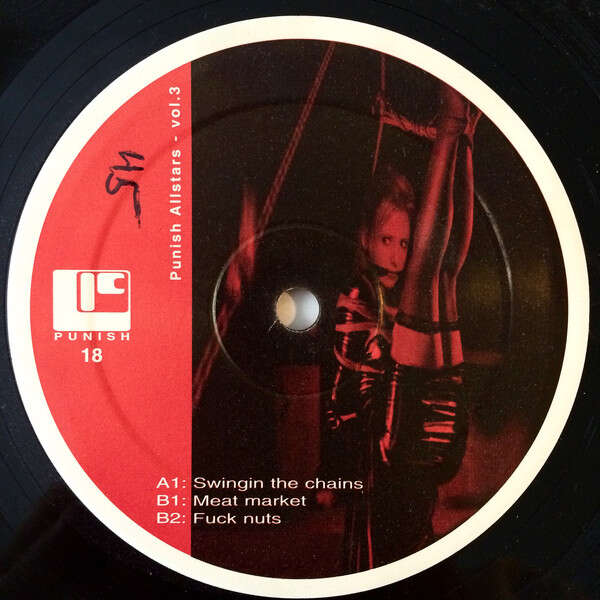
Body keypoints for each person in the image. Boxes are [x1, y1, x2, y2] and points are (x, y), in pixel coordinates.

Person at [324, 82, 480, 572]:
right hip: (394, 434)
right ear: (364, 238)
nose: (395, 254)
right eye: (386, 240)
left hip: (413, 431)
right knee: (435, 275)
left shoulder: (391, 295)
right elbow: (346, 396)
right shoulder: (359, 293)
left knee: (442, 274)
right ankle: (455, 130)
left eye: (404, 242)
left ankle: (459, 136)